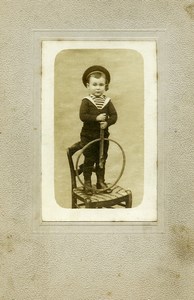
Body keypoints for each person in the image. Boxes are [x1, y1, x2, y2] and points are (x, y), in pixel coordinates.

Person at [79, 65, 118, 195]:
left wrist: (107, 123)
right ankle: (87, 183)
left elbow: (114, 116)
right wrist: (96, 118)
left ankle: (100, 182)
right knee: (90, 159)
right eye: (94, 84)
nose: (97, 87)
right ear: (88, 86)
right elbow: (83, 116)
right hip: (88, 136)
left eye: (101, 84)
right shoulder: (86, 101)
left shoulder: (107, 101)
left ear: (105, 86)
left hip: (103, 137)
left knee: (102, 158)